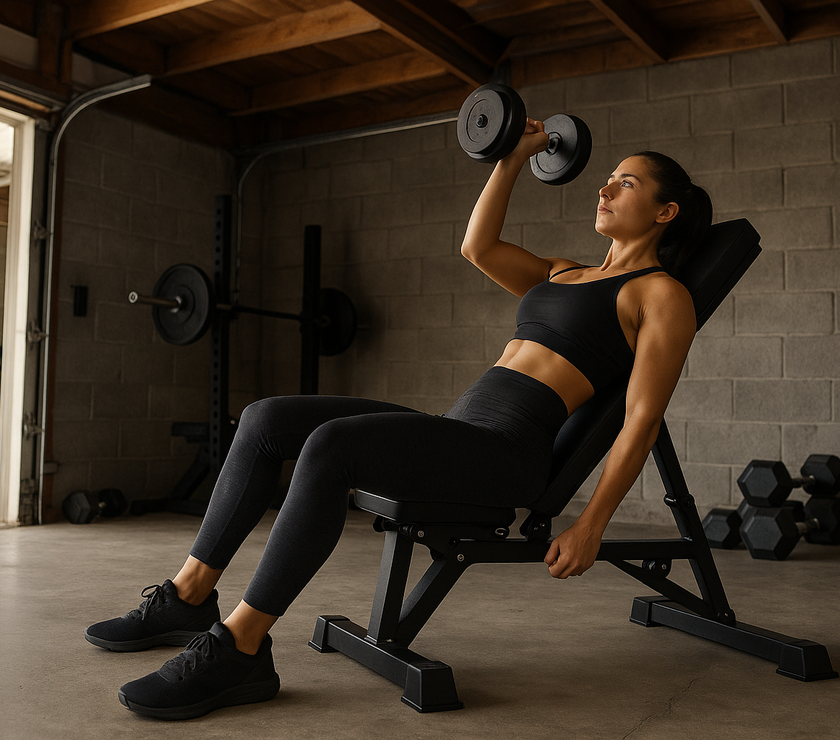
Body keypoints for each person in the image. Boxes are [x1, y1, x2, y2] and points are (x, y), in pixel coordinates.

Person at [85, 119, 712, 721]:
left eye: (625, 183)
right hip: (459, 429)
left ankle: (242, 647)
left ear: (665, 212)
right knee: (265, 417)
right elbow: (478, 247)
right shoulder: (564, 271)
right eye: (606, 178)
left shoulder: (660, 295)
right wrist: (514, 158)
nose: (603, 188)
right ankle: (190, 595)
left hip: (505, 454)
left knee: (331, 446)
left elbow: (640, 418)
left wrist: (590, 525)